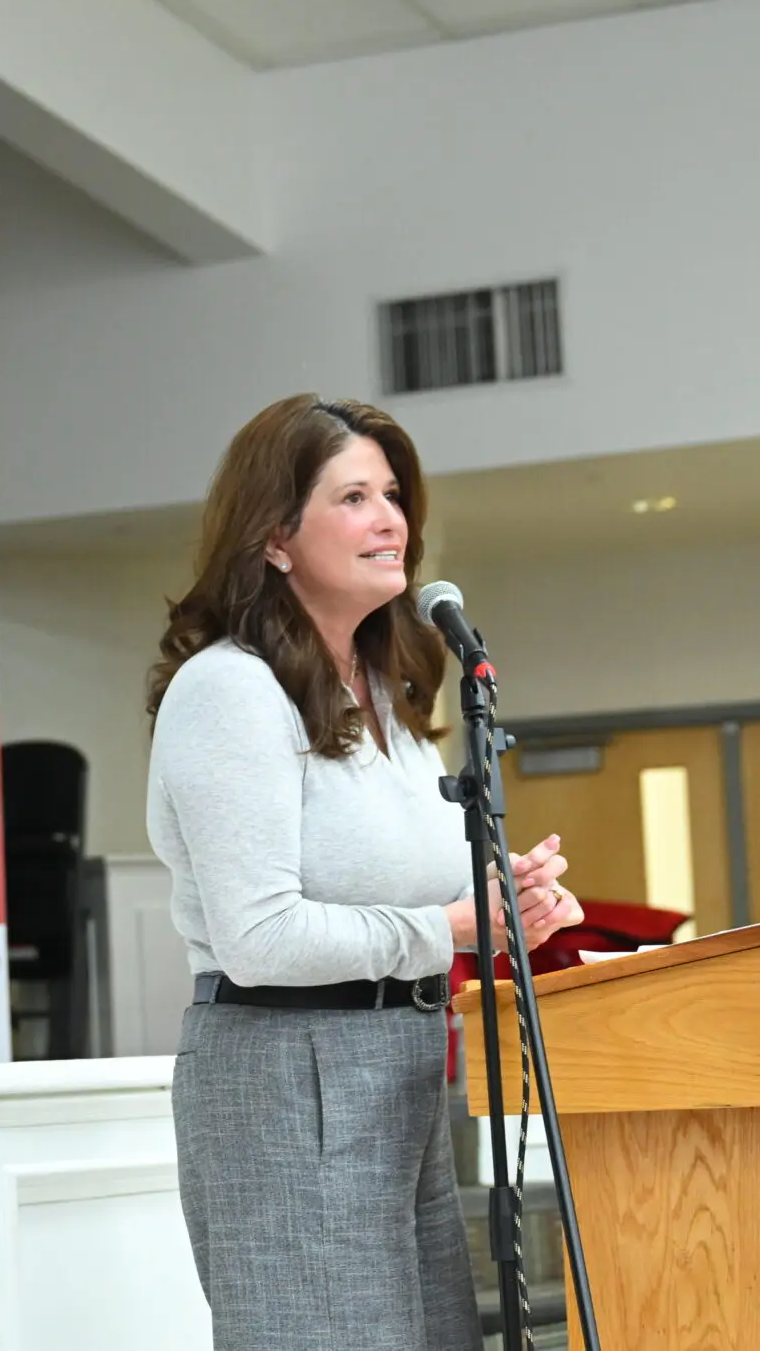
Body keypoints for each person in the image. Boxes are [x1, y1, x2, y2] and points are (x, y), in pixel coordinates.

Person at [146, 394, 585, 1351]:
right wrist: (455, 929)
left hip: (400, 1067)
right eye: (354, 496)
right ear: (274, 537)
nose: (392, 519)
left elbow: (418, 887)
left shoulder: (384, 698)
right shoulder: (228, 689)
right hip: (286, 1070)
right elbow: (258, 937)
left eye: (393, 494)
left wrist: (512, 892)